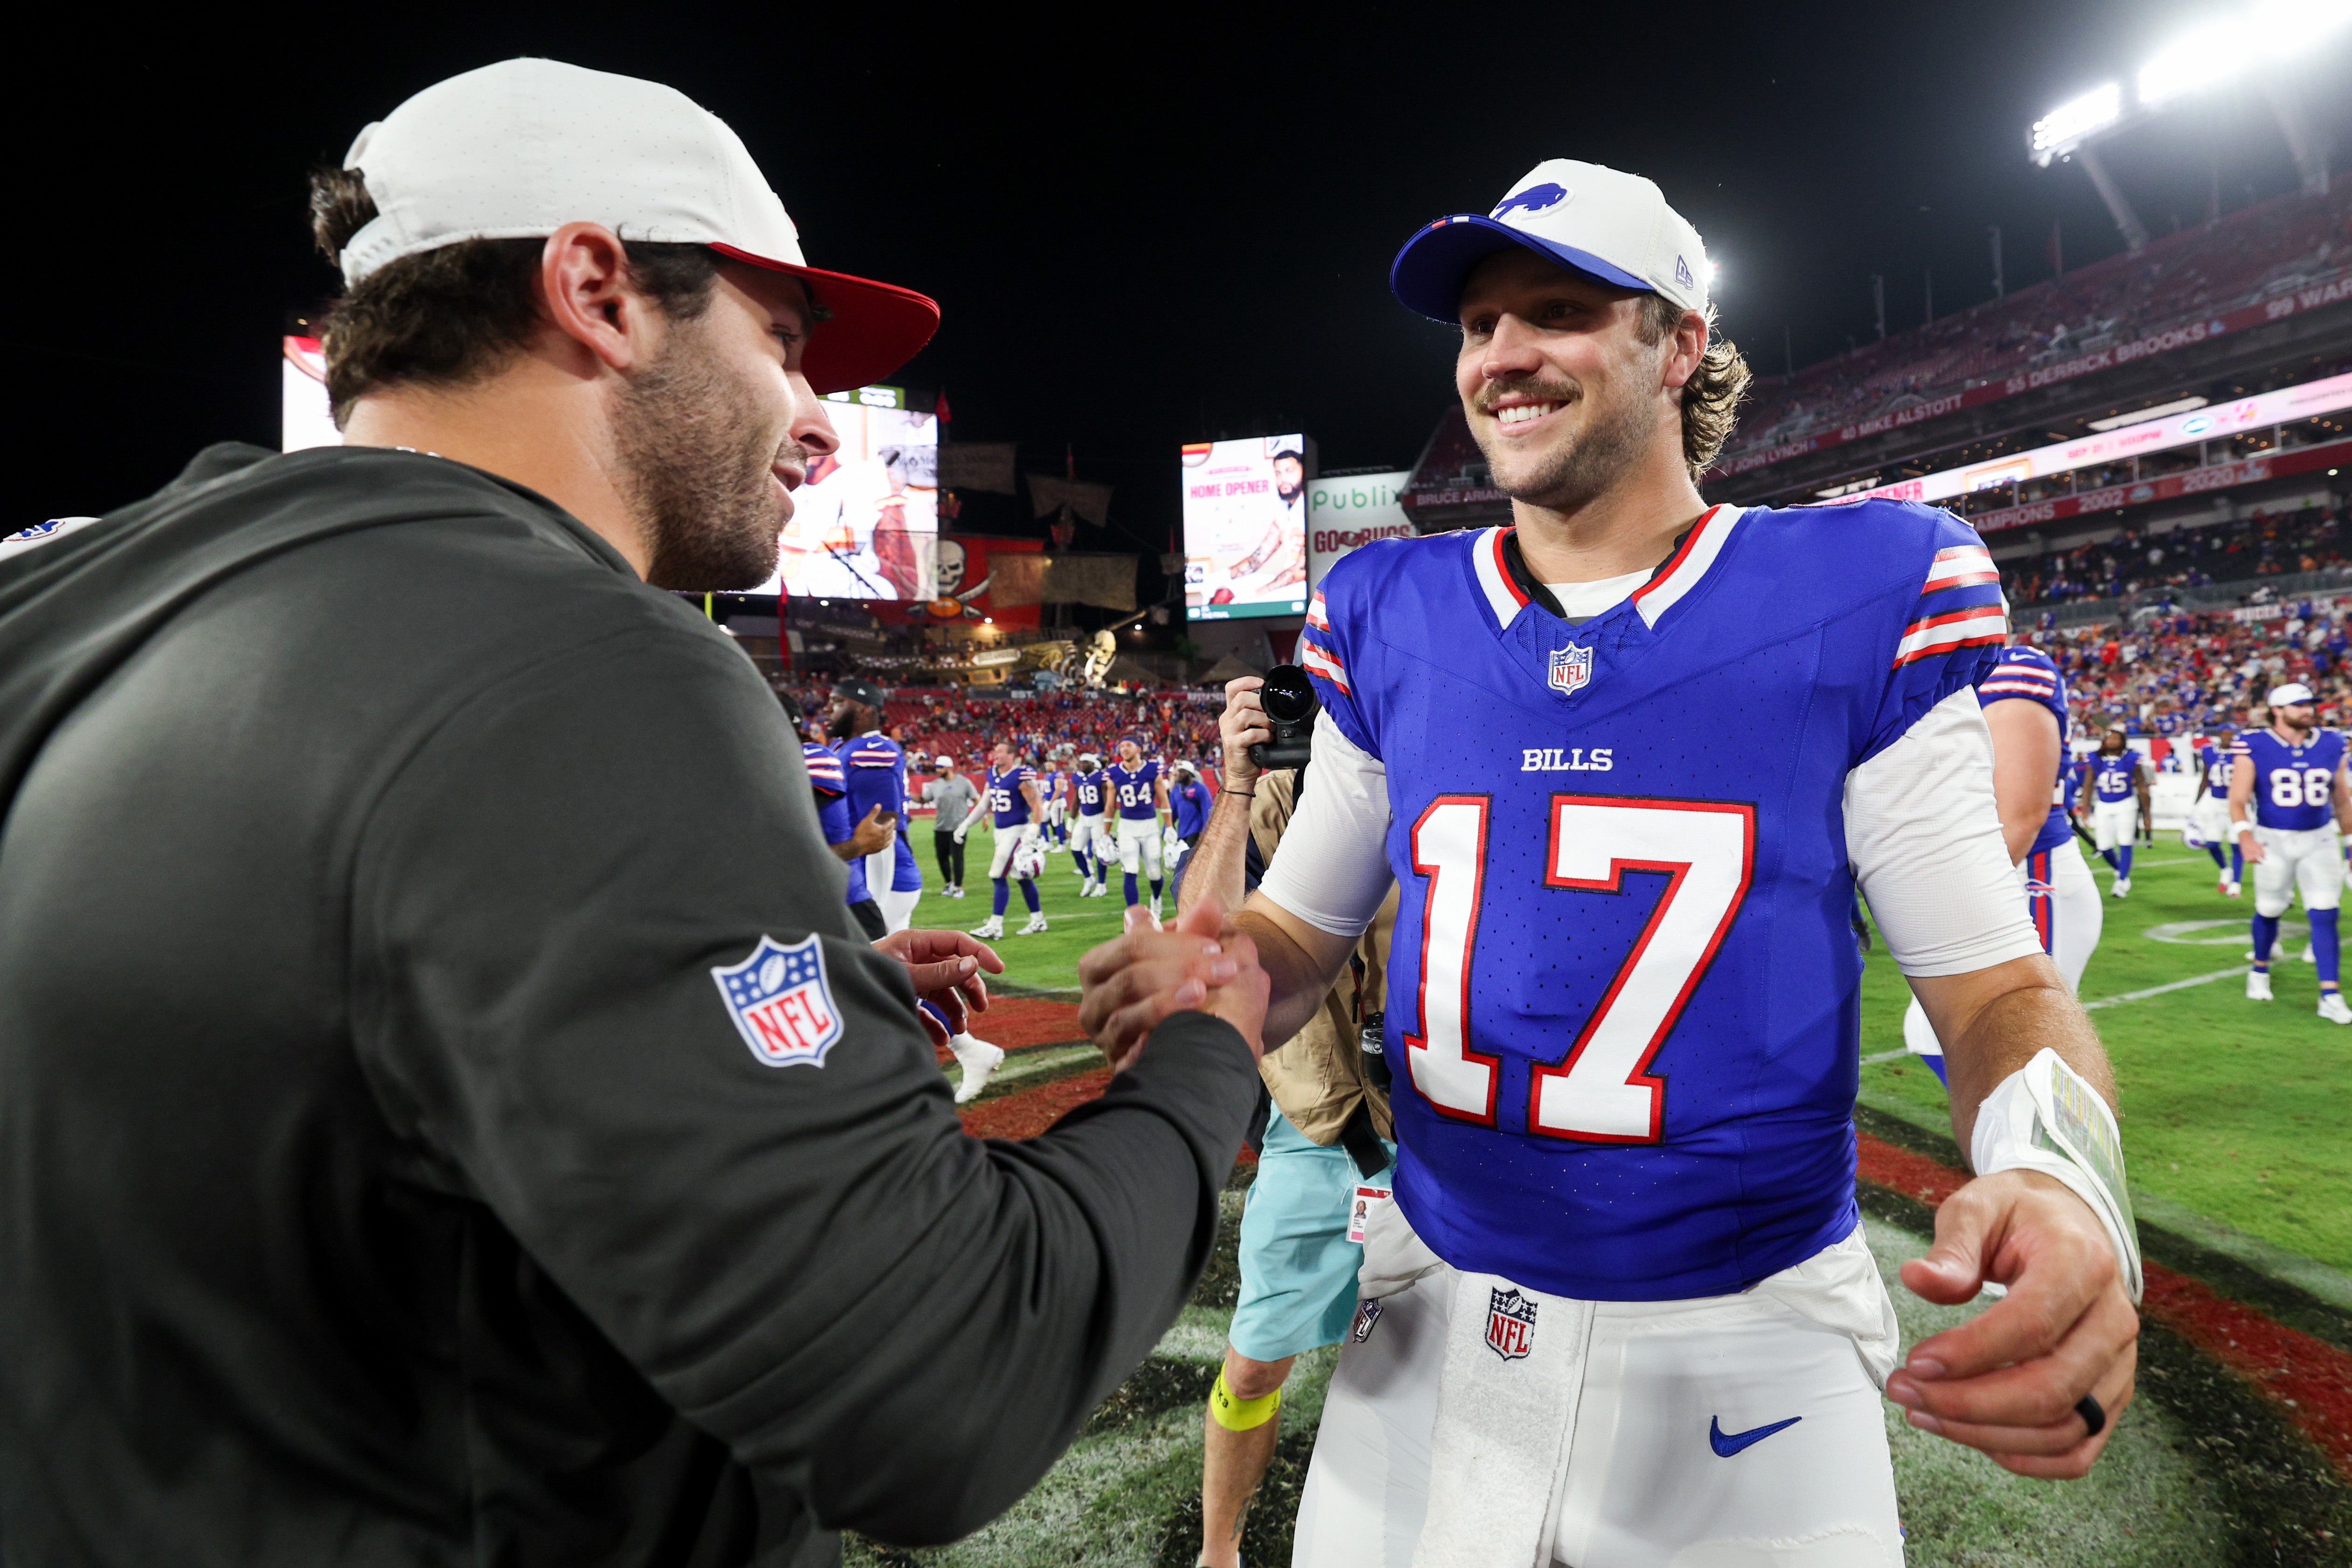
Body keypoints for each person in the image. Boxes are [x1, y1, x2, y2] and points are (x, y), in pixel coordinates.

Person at [0, 59, 1275, 1566]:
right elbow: (943, 1384)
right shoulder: (578, 656)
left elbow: (271, 1068)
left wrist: (710, 997)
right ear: (597, 288)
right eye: (784, 347)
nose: (816, 421)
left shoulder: (68, 602)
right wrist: (1204, 1063)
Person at [1221, 159, 2140, 1565]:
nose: (1502, 353)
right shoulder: (1384, 606)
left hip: (1747, 1328)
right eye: (1476, 325)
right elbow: (1289, 944)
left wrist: (2067, 1178)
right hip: (1431, 1306)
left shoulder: (1865, 587)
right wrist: (1205, 967)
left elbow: (1990, 990)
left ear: (1679, 342)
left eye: (1558, 309)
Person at [1179, 697, 1400, 1568]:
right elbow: (1202, 942)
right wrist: (1236, 786)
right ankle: (1218, 1552)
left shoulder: (1463, 764)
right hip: (1323, 1127)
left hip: (1458, 1130)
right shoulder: (1285, 794)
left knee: (1476, 1362)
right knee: (1253, 1365)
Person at [1903, 641, 2103, 1084]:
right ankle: (2012, 1145)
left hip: (2030, 878)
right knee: (1932, 1032)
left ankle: (2052, 1150)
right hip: (1999, 872)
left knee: (2032, 1047)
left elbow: (2019, 818)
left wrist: (1948, 904)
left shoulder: (2013, 666)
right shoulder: (1931, 682)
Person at [2229, 682, 2352, 1022]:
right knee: (2268, 908)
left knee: (2326, 911)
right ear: (2277, 710)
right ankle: (2259, 969)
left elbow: (2341, 798)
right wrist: (2245, 837)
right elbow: (2237, 798)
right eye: (2299, 705)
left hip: (2319, 838)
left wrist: (2350, 842)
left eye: (2309, 704)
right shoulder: (2254, 743)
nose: (2308, 710)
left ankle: (2330, 994)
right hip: (2273, 838)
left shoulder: (2330, 741)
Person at [831, 677, 924, 933]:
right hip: (873, 874)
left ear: (864, 710)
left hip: (885, 880)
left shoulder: (871, 749)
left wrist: (874, 902)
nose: (829, 710)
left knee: (874, 959)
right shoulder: (846, 747)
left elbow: (881, 831)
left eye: (838, 703)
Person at [800, 697, 895, 938]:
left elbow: (883, 820)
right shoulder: (827, 753)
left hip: (841, 898)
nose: (829, 709)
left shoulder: (811, 758)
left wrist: (857, 845)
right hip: (827, 895)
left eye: (838, 702)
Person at [959, 740, 1048, 939]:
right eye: (995, 750)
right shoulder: (992, 773)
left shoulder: (1020, 775)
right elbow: (984, 805)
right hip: (1000, 832)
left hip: (1017, 831)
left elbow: (1037, 805)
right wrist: (966, 824)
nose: (995, 754)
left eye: (1000, 751)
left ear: (1012, 756)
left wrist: (1034, 828)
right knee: (1021, 878)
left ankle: (995, 926)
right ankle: (1039, 920)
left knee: (997, 875)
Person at [1105, 736, 1170, 918]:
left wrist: (1170, 827)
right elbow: (1110, 806)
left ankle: (1156, 899)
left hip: (1149, 827)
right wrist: (1106, 833)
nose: (1124, 749)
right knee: (1130, 869)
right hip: (1126, 827)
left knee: (1154, 873)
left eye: (1128, 745)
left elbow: (1163, 800)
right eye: (1121, 746)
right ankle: (1133, 916)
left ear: (1139, 749)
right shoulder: (1114, 772)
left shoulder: (1152, 769)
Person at [2083, 727, 2151, 896]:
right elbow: (2088, 784)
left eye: (2116, 739)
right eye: (2109, 739)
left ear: (2123, 741)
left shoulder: (2131, 758)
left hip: (2126, 804)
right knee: (2104, 846)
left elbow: (2142, 784)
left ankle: (2121, 881)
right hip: (2104, 805)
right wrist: (2085, 808)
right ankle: (2120, 870)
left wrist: (2147, 811)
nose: (2112, 742)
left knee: (2125, 842)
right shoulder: (2096, 759)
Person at [2190, 730, 2244, 895]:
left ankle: (2236, 883)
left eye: (2230, 735)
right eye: (2224, 735)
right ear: (2219, 736)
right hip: (2215, 804)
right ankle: (2225, 870)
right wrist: (2196, 803)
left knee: (2236, 845)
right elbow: (2205, 778)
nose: (2227, 738)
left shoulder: (2240, 752)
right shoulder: (2208, 751)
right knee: (2212, 843)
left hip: (2235, 803)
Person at [923, 753, 976, 898]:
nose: (938, 771)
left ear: (949, 767)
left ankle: (959, 887)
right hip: (940, 827)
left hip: (959, 827)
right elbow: (923, 800)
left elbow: (976, 800)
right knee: (941, 857)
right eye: (937, 768)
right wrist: (908, 794)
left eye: (940, 768)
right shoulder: (935, 785)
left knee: (957, 857)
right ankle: (949, 883)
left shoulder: (964, 783)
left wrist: (982, 818)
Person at [1070, 751, 1114, 895]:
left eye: (1085, 762)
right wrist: (1071, 820)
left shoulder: (1101, 778)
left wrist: (1108, 822)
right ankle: (1089, 878)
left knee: (1099, 852)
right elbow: (1077, 801)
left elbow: (1108, 802)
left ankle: (1102, 884)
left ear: (1093, 764)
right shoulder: (1078, 778)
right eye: (1081, 762)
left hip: (1098, 818)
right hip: (1084, 818)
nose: (1082, 765)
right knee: (1076, 849)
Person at [1169, 758, 1213, 872]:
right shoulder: (1176, 791)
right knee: (1183, 861)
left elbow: (1207, 811)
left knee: (1190, 861)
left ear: (1189, 774)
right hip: (1182, 831)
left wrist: (1206, 831)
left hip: (1196, 830)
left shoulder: (1201, 789)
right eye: (1179, 772)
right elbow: (1172, 812)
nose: (1179, 775)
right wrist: (1167, 829)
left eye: (1182, 772)